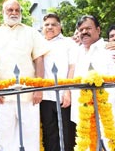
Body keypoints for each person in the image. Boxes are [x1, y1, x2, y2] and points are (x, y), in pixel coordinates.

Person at [0, 0, 49, 151]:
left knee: (31, 137)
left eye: (17, 10)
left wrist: (38, 88)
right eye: (10, 10)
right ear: (4, 12)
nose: (14, 13)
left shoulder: (31, 32)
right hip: (4, 95)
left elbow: (39, 60)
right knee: (5, 138)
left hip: (28, 94)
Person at [71, 15, 115, 151]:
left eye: (88, 28)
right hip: (86, 120)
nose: (84, 32)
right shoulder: (78, 52)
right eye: (81, 30)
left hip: (111, 117)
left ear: (98, 30)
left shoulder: (109, 50)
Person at [40, 13, 75, 151]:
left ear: (60, 27)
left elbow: (72, 67)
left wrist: (68, 91)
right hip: (45, 97)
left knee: (66, 134)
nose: (50, 27)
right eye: (47, 24)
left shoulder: (68, 42)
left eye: (53, 24)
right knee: (49, 135)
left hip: (63, 96)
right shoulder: (39, 43)